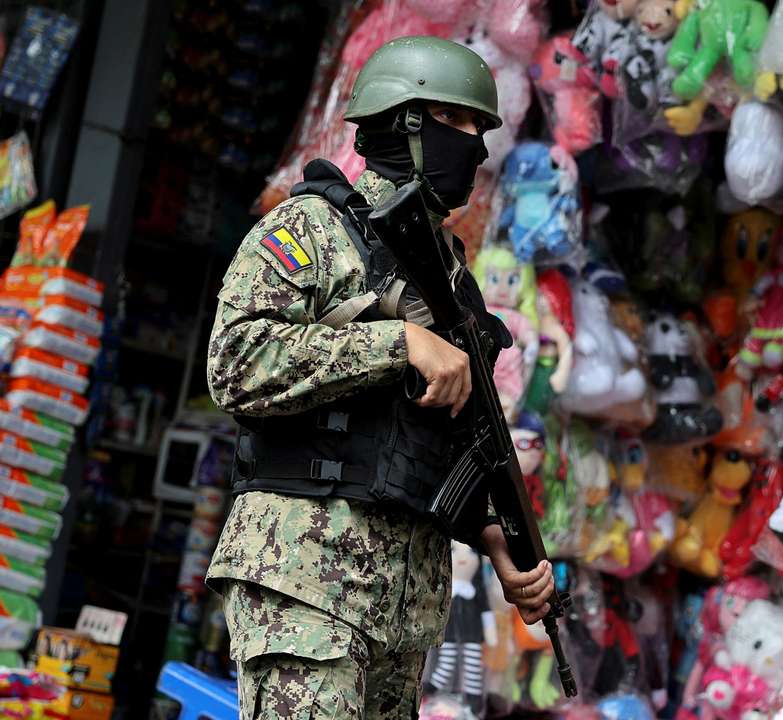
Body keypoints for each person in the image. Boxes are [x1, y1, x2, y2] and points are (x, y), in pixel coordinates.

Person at [204, 36, 555, 719]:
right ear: (401, 121)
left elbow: (439, 439)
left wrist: (493, 538)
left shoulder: (452, 274)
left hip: (403, 608)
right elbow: (236, 365)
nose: (474, 147)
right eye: (454, 123)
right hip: (302, 582)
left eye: (479, 129)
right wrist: (397, 342)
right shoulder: (311, 228)